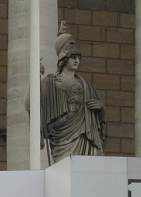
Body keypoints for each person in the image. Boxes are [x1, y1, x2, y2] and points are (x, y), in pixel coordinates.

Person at [40, 27, 105, 163]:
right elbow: (30, 104)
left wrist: (101, 109)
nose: (77, 61)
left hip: (84, 135)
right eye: (73, 57)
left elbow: (99, 121)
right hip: (62, 139)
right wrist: (34, 78)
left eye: (78, 57)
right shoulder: (51, 82)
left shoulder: (85, 84)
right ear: (64, 58)